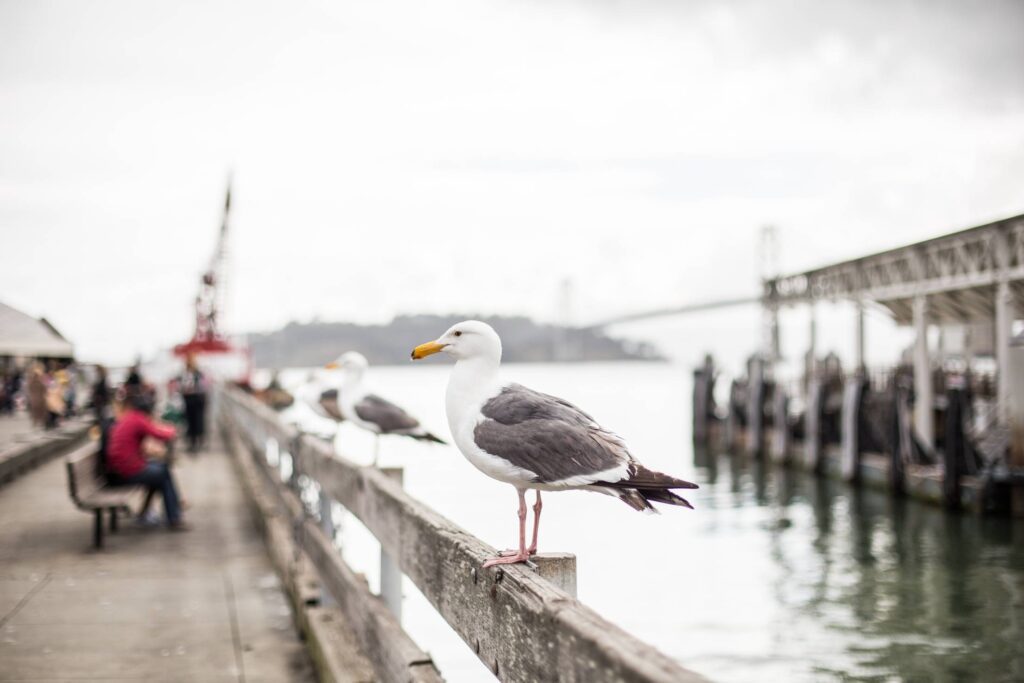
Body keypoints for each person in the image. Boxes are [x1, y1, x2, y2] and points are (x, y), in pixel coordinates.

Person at [105, 392, 188, 530]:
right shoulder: (138, 419)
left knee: (161, 470)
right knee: (163, 473)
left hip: (119, 468)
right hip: (126, 471)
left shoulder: (129, 418)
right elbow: (159, 434)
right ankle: (174, 517)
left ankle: (164, 513)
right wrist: (173, 430)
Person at [177, 355, 208, 453]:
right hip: (189, 401)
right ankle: (192, 441)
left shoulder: (198, 374)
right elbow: (181, 387)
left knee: (197, 421)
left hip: (196, 401)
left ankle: (196, 441)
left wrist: (192, 390)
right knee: (190, 421)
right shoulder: (185, 374)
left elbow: (203, 387)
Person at [26, 363, 47, 427]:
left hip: (34, 399)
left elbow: (29, 389)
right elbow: (44, 390)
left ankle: (35, 423)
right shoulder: (40, 382)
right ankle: (39, 423)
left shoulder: (31, 382)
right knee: (39, 411)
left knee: (35, 411)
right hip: (39, 399)